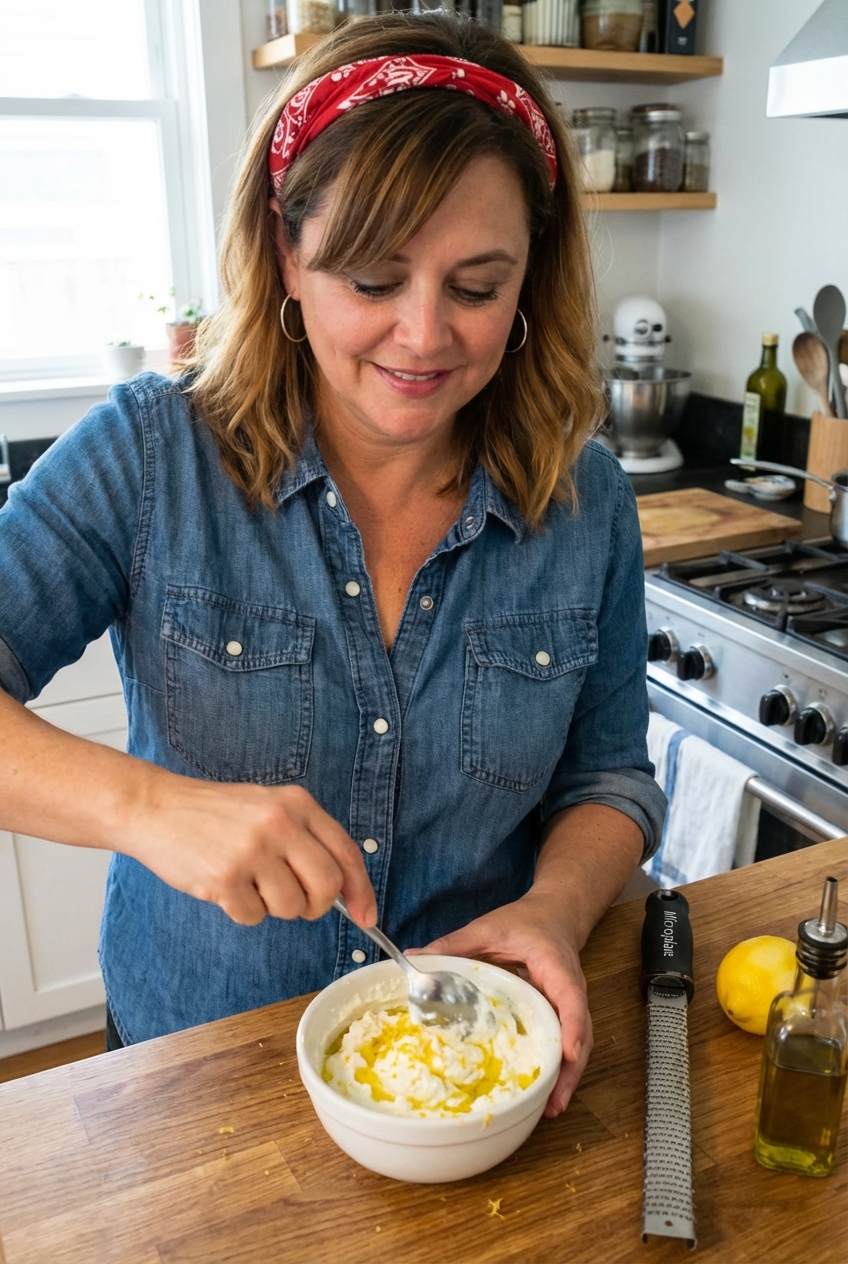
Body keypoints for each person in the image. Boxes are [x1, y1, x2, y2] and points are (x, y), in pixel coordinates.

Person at [0, 13, 665, 1118]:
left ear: (528, 281)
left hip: (470, 1075)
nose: (422, 336)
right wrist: (149, 807)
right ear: (286, 258)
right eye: (370, 278)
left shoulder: (582, 495)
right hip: (196, 1071)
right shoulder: (151, 455)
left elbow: (608, 779)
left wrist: (556, 904)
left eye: (474, 285)